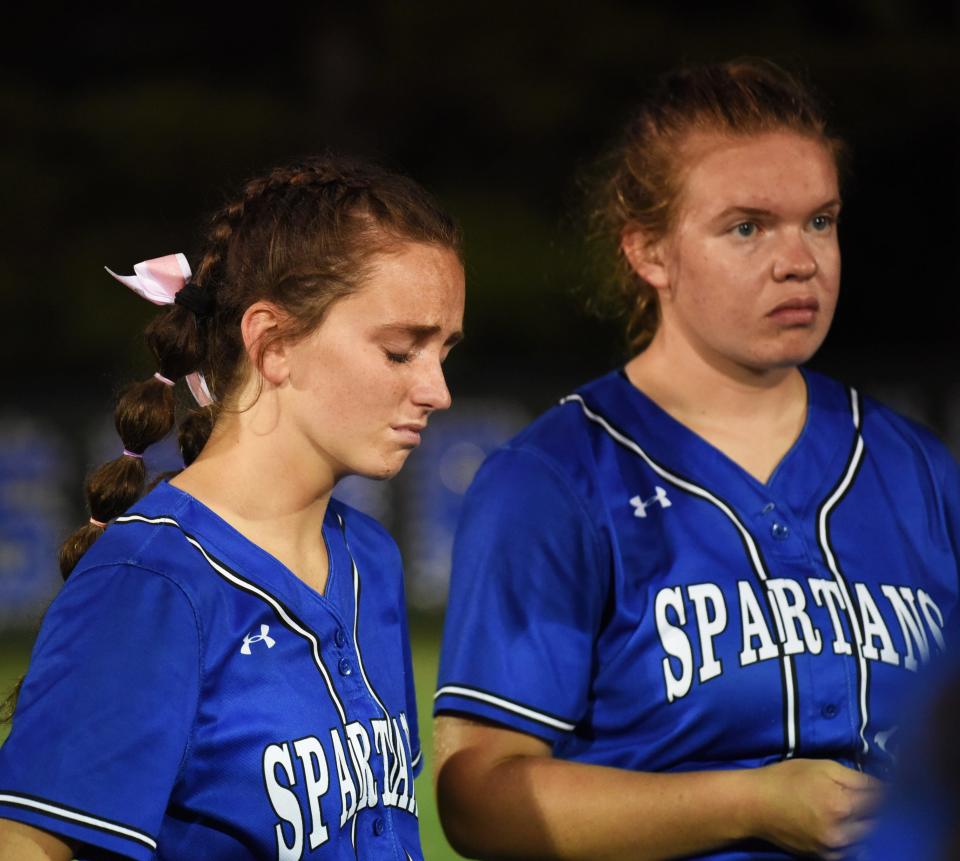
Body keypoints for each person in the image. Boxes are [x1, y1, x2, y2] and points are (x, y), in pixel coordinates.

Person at [433, 59, 959, 861]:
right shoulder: (555, 479)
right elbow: (479, 797)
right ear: (649, 250)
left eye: (820, 220)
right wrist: (749, 800)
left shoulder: (918, 469)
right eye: (747, 227)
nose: (800, 260)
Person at [0, 155, 465, 860]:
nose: (437, 389)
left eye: (444, 352)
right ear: (273, 344)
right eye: (401, 350)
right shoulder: (151, 582)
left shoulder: (370, 553)